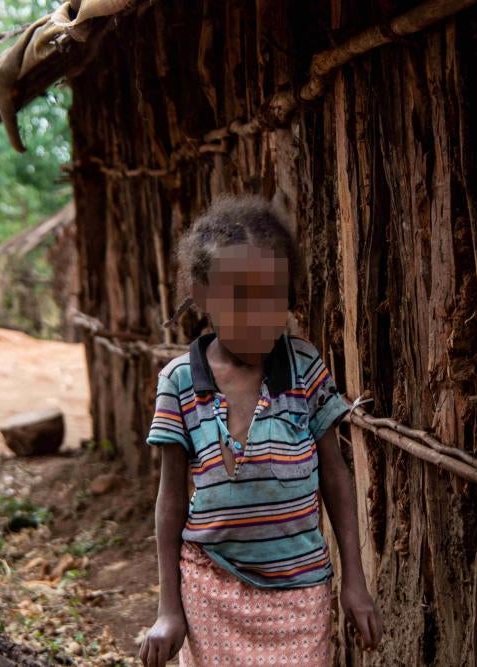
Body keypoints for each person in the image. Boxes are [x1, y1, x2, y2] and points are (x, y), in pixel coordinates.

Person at [138, 195, 383, 667]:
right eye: (240, 297)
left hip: (300, 594)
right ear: (204, 294)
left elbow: (335, 476)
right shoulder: (180, 382)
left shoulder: (305, 368)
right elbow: (170, 500)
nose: (259, 315)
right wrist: (169, 609)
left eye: (273, 297)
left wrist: (355, 580)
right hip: (212, 588)